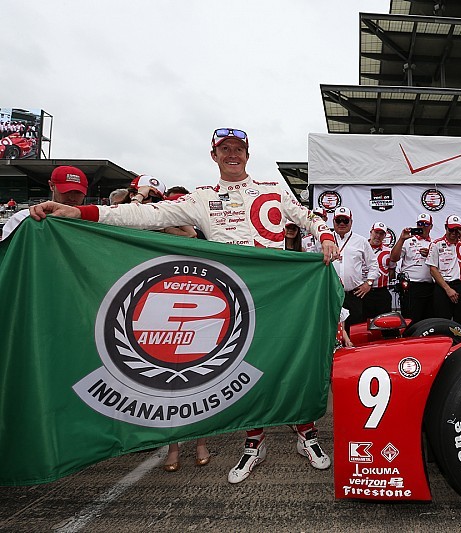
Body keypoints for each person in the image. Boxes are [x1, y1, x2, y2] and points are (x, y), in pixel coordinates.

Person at [30, 127, 338, 484]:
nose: (232, 154)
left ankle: (307, 435)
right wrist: (79, 213)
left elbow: (308, 216)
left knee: (294, 359)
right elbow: (147, 216)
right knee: (252, 367)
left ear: (248, 155)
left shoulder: (272, 189)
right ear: (214, 155)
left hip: (281, 290)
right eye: (225, 149)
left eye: (239, 148)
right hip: (236, 295)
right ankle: (254, 443)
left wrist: (326, 236)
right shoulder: (202, 197)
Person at [2, 166, 87, 241]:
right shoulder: (23, 218)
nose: (72, 197)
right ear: (51, 186)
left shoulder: (92, 222)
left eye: (78, 192)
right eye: (65, 191)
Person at [330, 206, 379, 331]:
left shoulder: (361, 241)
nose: (342, 223)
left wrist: (368, 283)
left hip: (353, 295)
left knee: (354, 330)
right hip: (330, 294)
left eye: (345, 220)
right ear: (333, 222)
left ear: (351, 222)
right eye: (338, 220)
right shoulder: (326, 240)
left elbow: (374, 265)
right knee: (331, 328)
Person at [427, 214, 461, 324]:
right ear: (445, 227)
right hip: (443, 287)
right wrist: (447, 289)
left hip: (460, 285)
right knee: (442, 321)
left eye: (457, 230)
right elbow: (433, 269)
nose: (453, 233)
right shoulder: (436, 244)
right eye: (451, 230)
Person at [390, 213, 434, 323]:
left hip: (430, 286)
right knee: (411, 319)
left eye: (425, 224)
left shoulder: (434, 243)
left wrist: (430, 255)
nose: (422, 226)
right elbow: (393, 258)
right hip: (411, 286)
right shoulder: (407, 241)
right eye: (420, 224)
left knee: (428, 320)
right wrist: (401, 239)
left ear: (431, 226)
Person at [362, 222, 394, 319]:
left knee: (384, 322)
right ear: (371, 232)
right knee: (362, 323)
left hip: (381, 292)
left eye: (381, 234)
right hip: (363, 291)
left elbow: (392, 270)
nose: (378, 236)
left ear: (385, 236)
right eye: (376, 232)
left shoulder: (389, 251)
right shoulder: (361, 248)